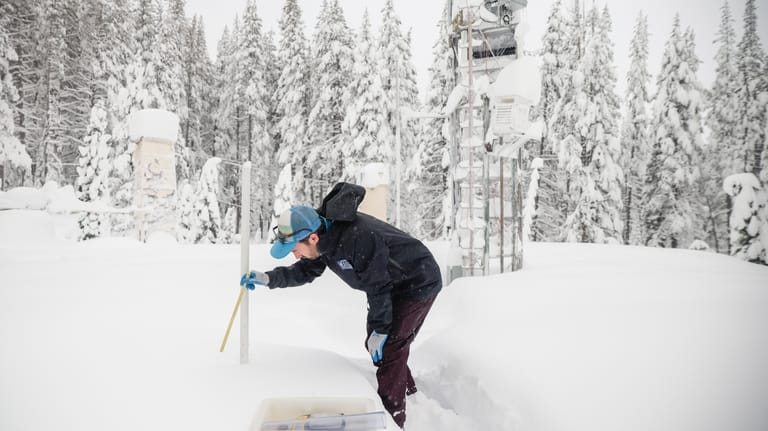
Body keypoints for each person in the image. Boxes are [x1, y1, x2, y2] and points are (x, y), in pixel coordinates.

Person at [241, 182, 442, 429]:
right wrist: (269, 278)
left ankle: (392, 418)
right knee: (380, 344)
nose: (296, 255)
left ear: (312, 237)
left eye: (295, 249)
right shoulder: (323, 237)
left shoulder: (356, 239)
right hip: (388, 284)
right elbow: (306, 271)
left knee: (389, 346)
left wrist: (380, 330)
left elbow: (378, 288)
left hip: (416, 281)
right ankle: (407, 390)